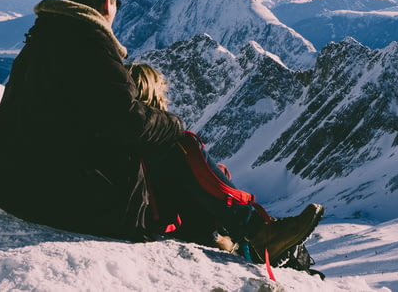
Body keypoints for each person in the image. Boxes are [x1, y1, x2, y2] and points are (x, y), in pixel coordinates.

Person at [0, 0, 323, 266]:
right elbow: (128, 123)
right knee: (182, 146)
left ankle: (245, 231)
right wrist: (173, 124)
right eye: (117, 4)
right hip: (61, 195)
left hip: (12, 184)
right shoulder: (89, 41)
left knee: (164, 156)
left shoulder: (40, 42)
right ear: (106, 3)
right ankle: (255, 231)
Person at [128, 62, 324, 267]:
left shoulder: (125, 138)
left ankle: (234, 236)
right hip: (155, 220)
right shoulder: (166, 144)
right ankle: (259, 232)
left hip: (144, 213)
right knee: (190, 152)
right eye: (162, 92)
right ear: (153, 93)